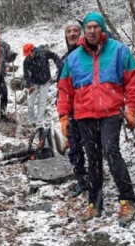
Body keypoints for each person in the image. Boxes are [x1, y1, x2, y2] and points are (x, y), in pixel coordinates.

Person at [57, 12, 135, 226]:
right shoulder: (74, 58)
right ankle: (95, 204)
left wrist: (131, 110)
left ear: (102, 28)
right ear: (84, 31)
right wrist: (64, 117)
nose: (92, 30)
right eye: (88, 27)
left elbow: (133, 82)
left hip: (111, 112)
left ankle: (127, 200)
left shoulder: (118, 50)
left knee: (110, 151)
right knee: (93, 159)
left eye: (96, 26)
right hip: (84, 115)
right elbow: (65, 90)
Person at [56, 20, 87, 198]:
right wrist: (61, 110)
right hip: (70, 108)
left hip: (89, 106)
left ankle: (95, 178)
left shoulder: (89, 54)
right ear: (66, 35)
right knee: (74, 146)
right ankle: (81, 180)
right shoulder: (63, 59)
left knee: (92, 145)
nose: (73, 34)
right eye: (69, 31)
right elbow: (61, 86)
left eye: (76, 31)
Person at [23, 43, 60, 127]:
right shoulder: (26, 61)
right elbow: (26, 75)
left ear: (33, 51)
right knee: (30, 103)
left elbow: (54, 56)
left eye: (29, 54)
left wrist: (58, 64)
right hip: (34, 83)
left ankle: (39, 122)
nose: (28, 56)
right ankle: (32, 121)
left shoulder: (44, 53)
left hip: (45, 81)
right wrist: (30, 85)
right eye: (26, 55)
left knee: (42, 103)